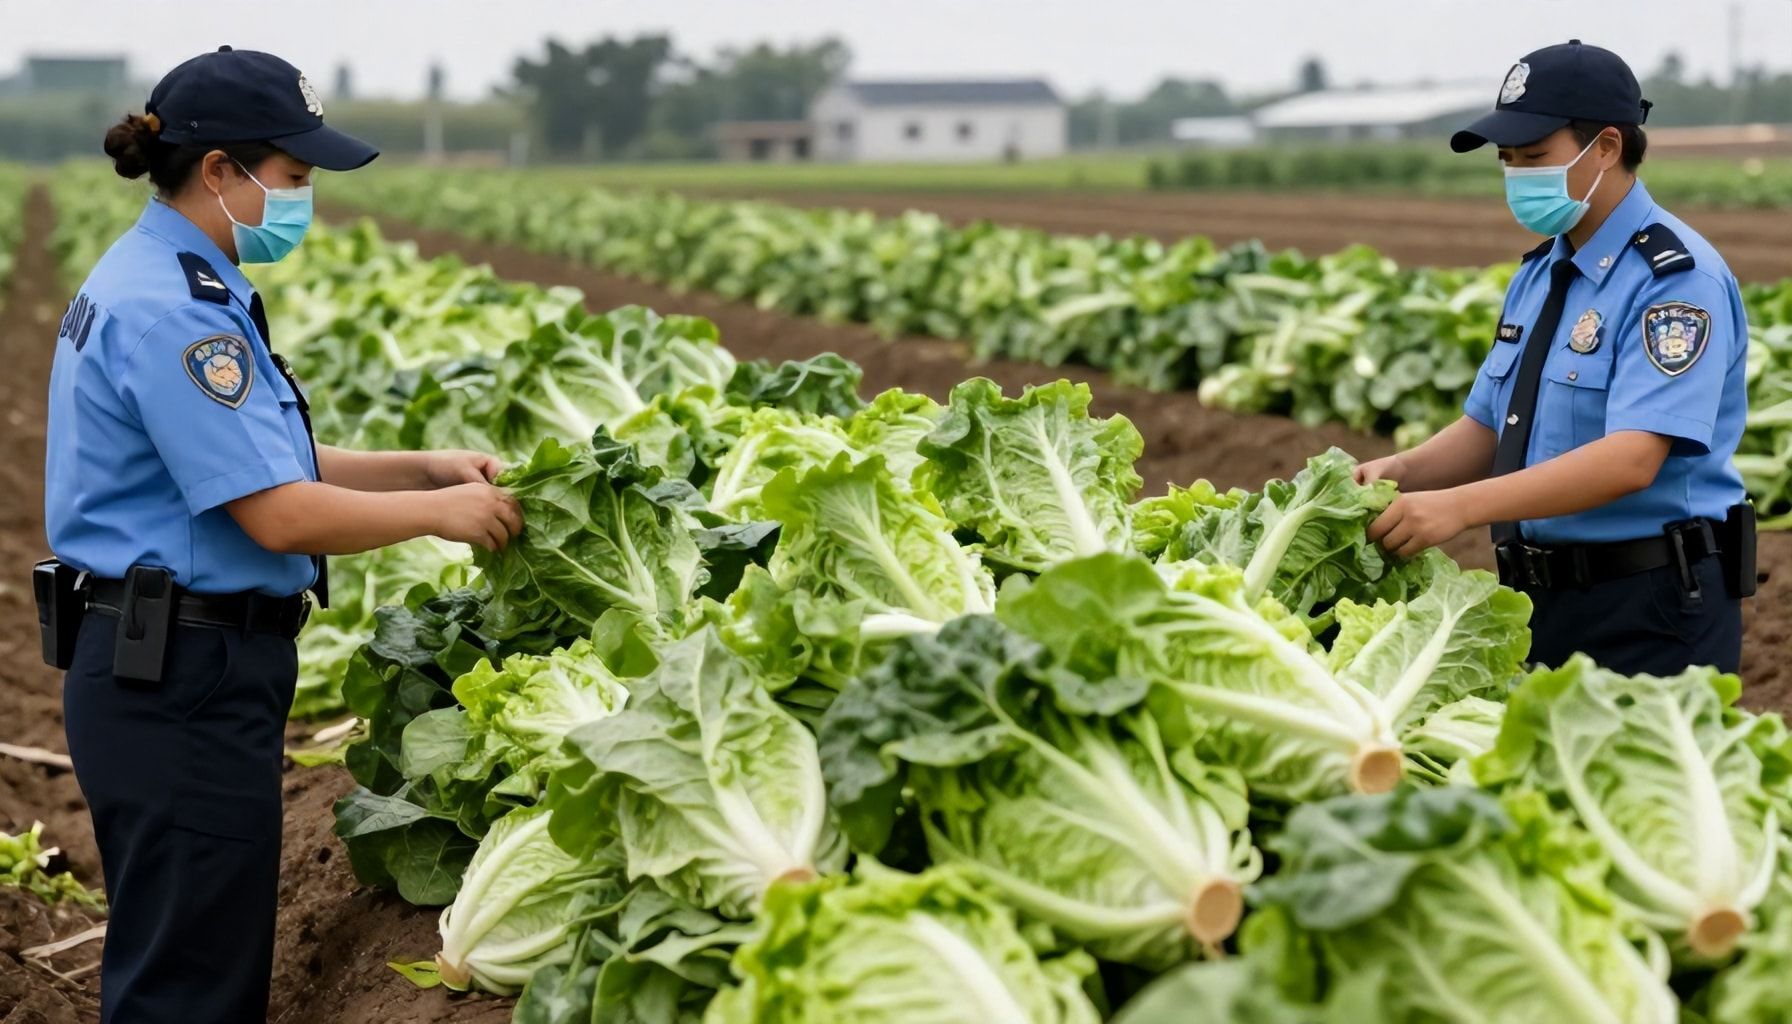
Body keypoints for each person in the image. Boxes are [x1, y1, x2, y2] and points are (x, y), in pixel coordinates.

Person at [39, 48, 523, 1022]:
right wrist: (440, 514)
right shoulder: (178, 314)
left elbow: (261, 456)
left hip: (160, 665)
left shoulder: (161, 275)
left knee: (183, 960)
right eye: (294, 178)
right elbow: (278, 511)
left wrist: (419, 465)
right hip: (181, 680)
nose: (302, 199)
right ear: (220, 169)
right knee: (191, 989)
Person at [1356, 39, 1756, 677]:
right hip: (1537, 602)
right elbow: (1491, 426)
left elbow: (1631, 460)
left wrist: (1459, 507)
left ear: (1606, 147)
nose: (1518, 175)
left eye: (1535, 156)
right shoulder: (1542, 272)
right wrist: (1399, 471)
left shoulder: (1675, 282)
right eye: (1508, 160)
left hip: (1648, 606)